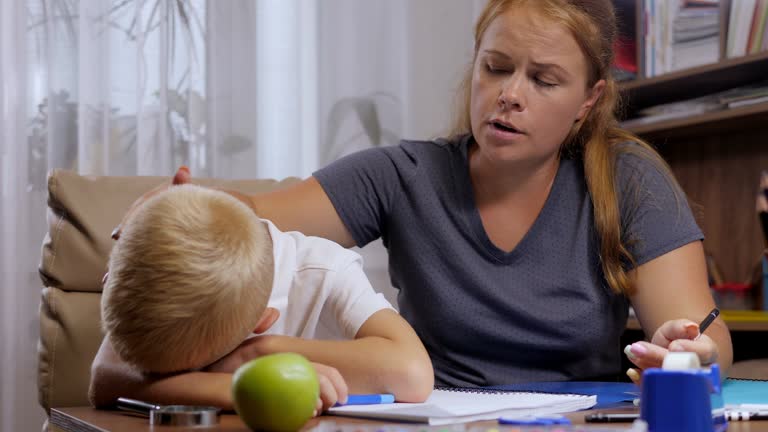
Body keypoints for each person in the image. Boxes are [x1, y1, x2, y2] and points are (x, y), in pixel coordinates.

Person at [107, 0, 733, 392]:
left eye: (544, 80)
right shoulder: (403, 174)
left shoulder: (627, 178)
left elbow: (701, 338)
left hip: (580, 417)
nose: (509, 94)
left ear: (589, 101)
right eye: (496, 68)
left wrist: (692, 351)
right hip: (431, 414)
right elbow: (248, 225)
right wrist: (173, 206)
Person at [89, 179, 433, 412]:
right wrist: (239, 386)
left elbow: (414, 375)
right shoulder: (155, 279)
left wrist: (260, 353)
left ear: (261, 322)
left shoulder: (324, 270)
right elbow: (105, 378)